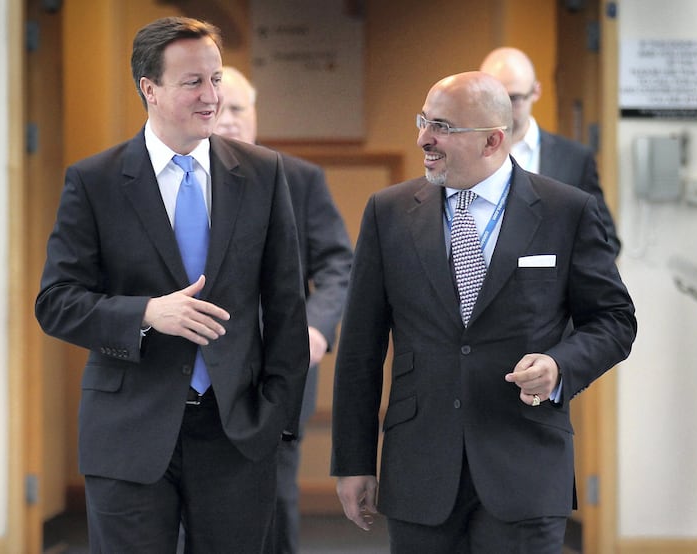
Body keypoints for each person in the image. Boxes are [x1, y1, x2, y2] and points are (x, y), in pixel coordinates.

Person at [330, 71, 636, 553]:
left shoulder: (565, 210)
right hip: (419, 467)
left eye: (443, 127)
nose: (424, 139)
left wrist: (559, 367)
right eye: (424, 121)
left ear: (494, 139)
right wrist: (353, 461)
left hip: (526, 466)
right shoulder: (388, 212)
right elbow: (359, 350)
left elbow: (615, 320)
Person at [35, 17, 309, 553]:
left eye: (217, 78)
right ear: (149, 89)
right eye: (193, 83)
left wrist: (274, 417)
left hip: (236, 431)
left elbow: (285, 307)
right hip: (128, 430)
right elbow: (56, 302)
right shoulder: (95, 181)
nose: (211, 97)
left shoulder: (263, 174)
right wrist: (145, 314)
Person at [215, 66, 353, 554]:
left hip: (281, 363)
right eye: (219, 108)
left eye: (239, 108)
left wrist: (316, 327)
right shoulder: (180, 183)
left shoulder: (298, 178)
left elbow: (339, 263)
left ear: (255, 115)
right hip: (203, 365)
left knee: (274, 491)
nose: (228, 119)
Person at [480, 46, 622, 254]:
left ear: (536, 91)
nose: (504, 108)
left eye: (514, 98)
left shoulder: (573, 159)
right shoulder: (467, 155)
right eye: (494, 98)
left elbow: (605, 240)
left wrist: (557, 271)